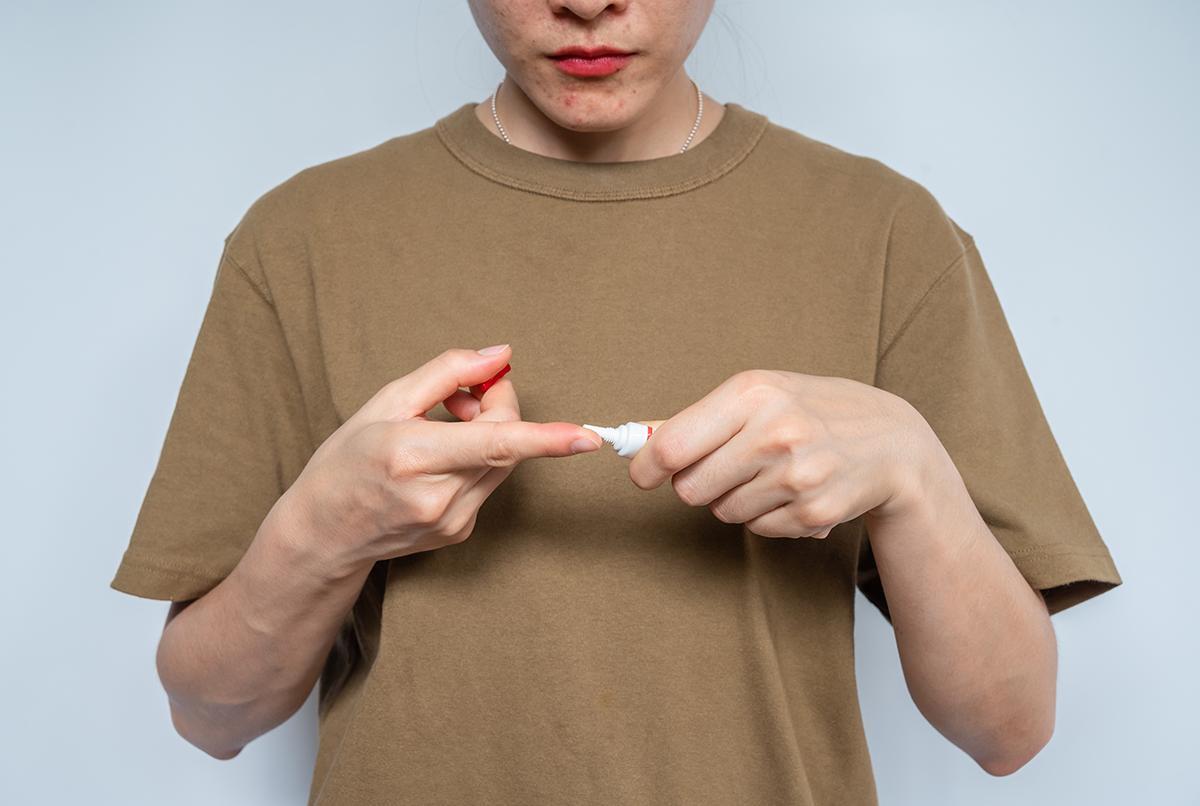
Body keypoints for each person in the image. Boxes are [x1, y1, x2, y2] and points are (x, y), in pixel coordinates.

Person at [110, 1, 1123, 804]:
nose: (587, 3)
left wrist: (911, 469)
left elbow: (1010, 728)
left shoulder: (891, 237)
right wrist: (323, 530)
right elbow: (212, 715)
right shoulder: (299, 242)